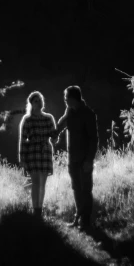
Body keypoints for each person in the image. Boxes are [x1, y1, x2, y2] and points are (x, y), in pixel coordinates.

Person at [52, 85, 98, 231]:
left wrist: (89, 160)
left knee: (86, 189)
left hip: (85, 159)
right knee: (76, 188)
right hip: (72, 158)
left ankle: (86, 222)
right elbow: (63, 121)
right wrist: (55, 133)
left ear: (73, 98)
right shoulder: (70, 111)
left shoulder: (88, 114)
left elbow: (93, 139)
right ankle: (78, 219)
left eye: (66, 98)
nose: (65, 101)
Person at [18, 91, 56, 218]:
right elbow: (23, 140)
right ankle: (35, 210)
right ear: (31, 104)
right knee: (35, 183)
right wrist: (22, 159)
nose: (39, 103)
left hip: (45, 152)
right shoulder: (27, 120)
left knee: (43, 183)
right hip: (33, 153)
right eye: (36, 101)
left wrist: (56, 134)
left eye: (40, 100)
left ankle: (40, 208)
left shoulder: (49, 118)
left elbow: (54, 137)